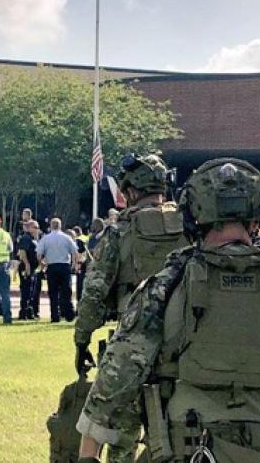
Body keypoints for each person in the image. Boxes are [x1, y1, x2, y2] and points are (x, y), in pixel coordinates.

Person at [76, 158, 260, 462]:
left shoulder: (164, 287)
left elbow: (115, 380)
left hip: (189, 448)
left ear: (193, 215)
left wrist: (89, 454)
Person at [73, 153, 188, 462]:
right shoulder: (192, 227)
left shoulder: (120, 231)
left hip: (132, 345)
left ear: (131, 190)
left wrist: (81, 340)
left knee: (122, 435)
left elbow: (94, 295)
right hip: (188, 347)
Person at [37, 218, 79, 323]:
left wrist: (41, 263)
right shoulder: (66, 238)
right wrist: (74, 264)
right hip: (64, 266)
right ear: (60, 226)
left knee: (53, 292)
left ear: (51, 226)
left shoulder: (46, 239)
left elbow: (38, 253)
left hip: (51, 267)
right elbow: (75, 252)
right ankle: (69, 314)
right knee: (66, 291)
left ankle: (55, 316)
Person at [16, 220, 42, 320]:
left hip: (33, 268)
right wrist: (27, 265)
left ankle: (29, 312)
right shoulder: (26, 238)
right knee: (26, 290)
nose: (37, 230)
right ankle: (23, 312)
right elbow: (22, 252)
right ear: (30, 228)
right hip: (26, 267)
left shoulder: (34, 239)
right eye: (35, 227)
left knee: (31, 290)